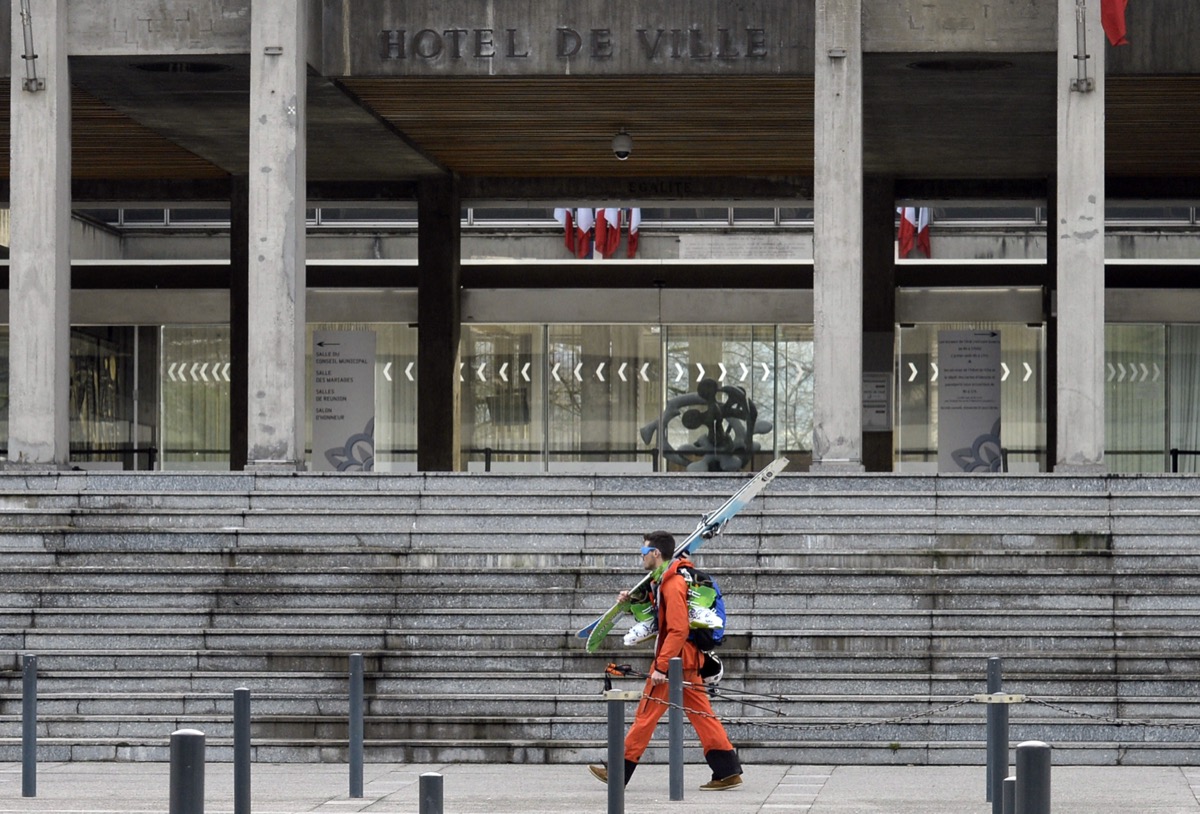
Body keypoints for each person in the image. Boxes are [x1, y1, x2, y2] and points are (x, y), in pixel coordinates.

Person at [588, 530, 743, 791]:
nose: (641, 557)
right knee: (703, 715)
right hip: (686, 661)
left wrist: (661, 666)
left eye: (643, 552)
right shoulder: (665, 580)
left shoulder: (672, 584)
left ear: (655, 554)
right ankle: (727, 771)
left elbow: (678, 628)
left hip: (674, 663)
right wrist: (632, 600)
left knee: (646, 714)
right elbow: (657, 615)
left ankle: (618, 770)